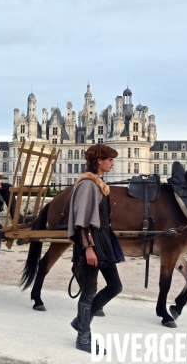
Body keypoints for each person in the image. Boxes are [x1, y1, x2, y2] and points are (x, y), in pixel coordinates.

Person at [68, 143, 124, 354]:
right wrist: (88, 248)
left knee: (115, 286)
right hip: (91, 244)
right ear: (99, 161)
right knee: (89, 289)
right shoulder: (88, 185)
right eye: (110, 159)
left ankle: (81, 321)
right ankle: (83, 337)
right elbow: (82, 221)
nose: (112, 163)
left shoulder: (98, 184)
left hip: (103, 242)